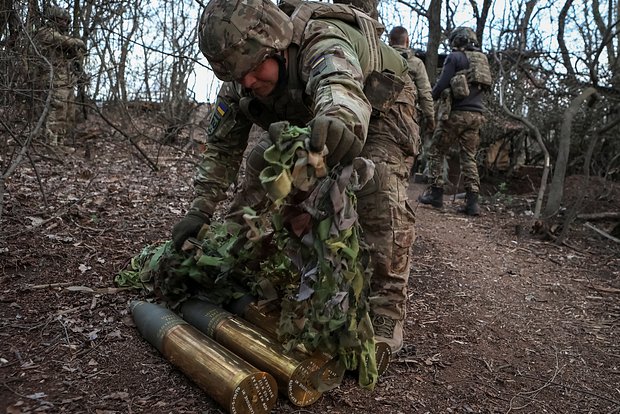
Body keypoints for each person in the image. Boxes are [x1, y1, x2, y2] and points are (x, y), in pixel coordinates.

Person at [172, 0, 420, 352]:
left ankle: (386, 307)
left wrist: (338, 121)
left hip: (382, 107)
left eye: (255, 68)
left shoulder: (321, 41)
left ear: (276, 46)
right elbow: (222, 150)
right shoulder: (240, 81)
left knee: (377, 183)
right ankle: (243, 263)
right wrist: (200, 210)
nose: (247, 81)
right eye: (236, 74)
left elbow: (340, 85)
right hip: (315, 114)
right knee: (264, 164)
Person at [419, 26, 492, 216]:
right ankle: (472, 203)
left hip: (456, 114)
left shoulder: (455, 57)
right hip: (477, 116)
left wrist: (428, 99)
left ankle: (436, 194)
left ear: (456, 40)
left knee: (436, 151)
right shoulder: (482, 60)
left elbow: (442, 84)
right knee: (469, 157)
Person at [33, 6, 86, 146]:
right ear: (53, 19)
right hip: (53, 81)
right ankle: (51, 145)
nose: (65, 24)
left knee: (67, 115)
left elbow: (75, 55)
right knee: (55, 112)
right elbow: (65, 41)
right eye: (62, 20)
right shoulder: (45, 33)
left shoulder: (62, 37)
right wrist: (78, 42)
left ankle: (60, 144)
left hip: (66, 82)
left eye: (67, 22)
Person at [388, 26, 435, 134]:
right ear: (407, 40)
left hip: (380, 112)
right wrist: (430, 117)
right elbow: (425, 93)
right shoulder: (416, 63)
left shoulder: (379, 56)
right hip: (408, 114)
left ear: (390, 41)